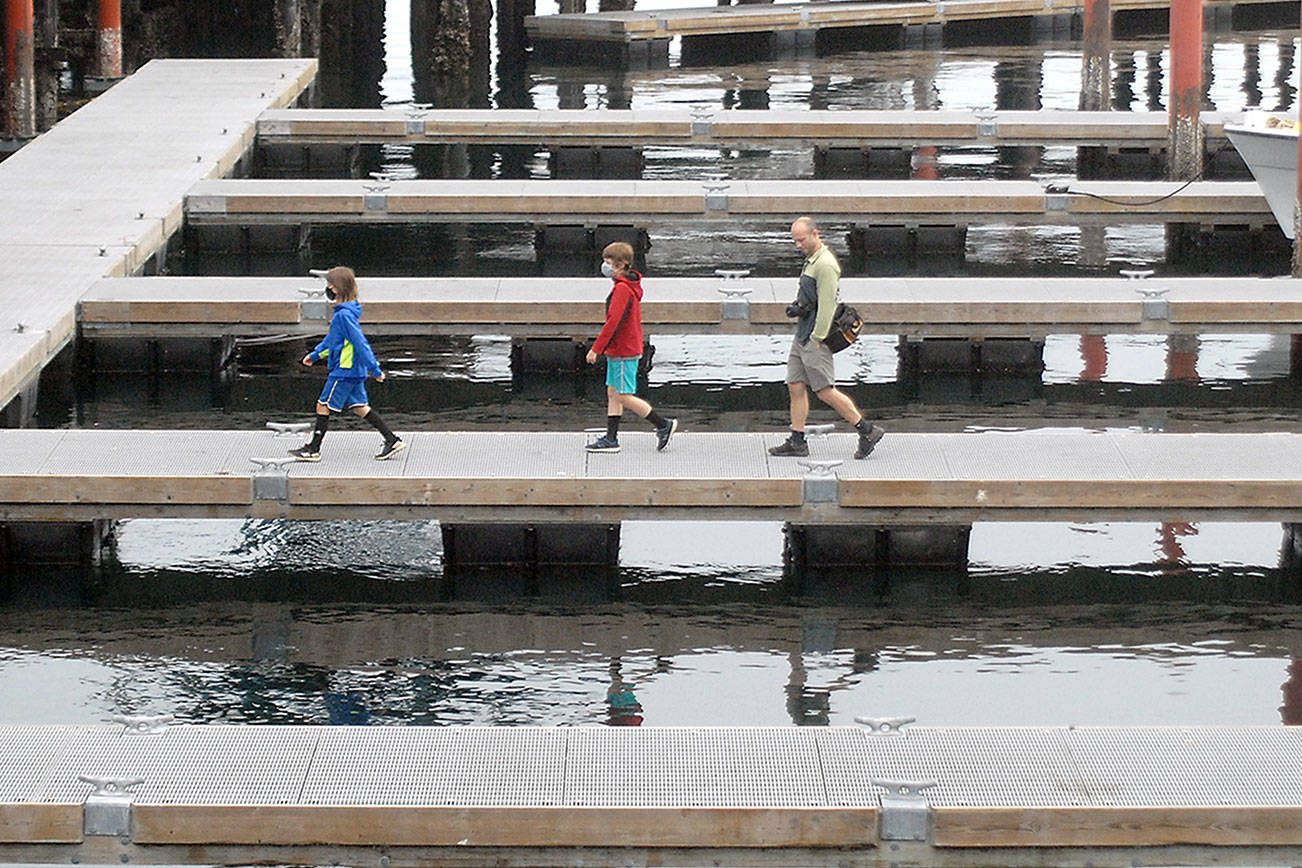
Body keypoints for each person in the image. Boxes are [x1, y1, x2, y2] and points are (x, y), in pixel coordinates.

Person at [769, 217, 884, 460]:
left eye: (801, 240)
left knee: (824, 390)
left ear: (815, 234)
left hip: (813, 338)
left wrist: (818, 337)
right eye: (795, 241)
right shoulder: (812, 261)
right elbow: (814, 300)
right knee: (795, 385)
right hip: (802, 335)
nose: (798, 245)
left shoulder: (825, 264)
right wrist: (799, 308)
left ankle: (867, 430)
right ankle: (797, 440)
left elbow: (828, 305)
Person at [289, 265, 404, 462]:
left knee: (323, 405)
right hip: (353, 370)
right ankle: (392, 440)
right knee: (360, 407)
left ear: (336, 289)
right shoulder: (347, 311)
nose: (328, 289)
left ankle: (313, 449)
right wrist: (315, 355)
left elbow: (360, 344)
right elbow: (334, 341)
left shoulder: (343, 315)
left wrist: (375, 369)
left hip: (345, 370)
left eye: (330, 285)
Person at [584, 241, 678, 453]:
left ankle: (663, 424)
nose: (605, 266)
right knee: (613, 393)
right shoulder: (623, 286)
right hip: (619, 349)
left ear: (621, 264)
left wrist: (596, 348)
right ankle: (611, 438)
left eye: (609, 262)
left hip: (624, 351)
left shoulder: (623, 290)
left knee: (623, 395)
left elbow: (613, 323)